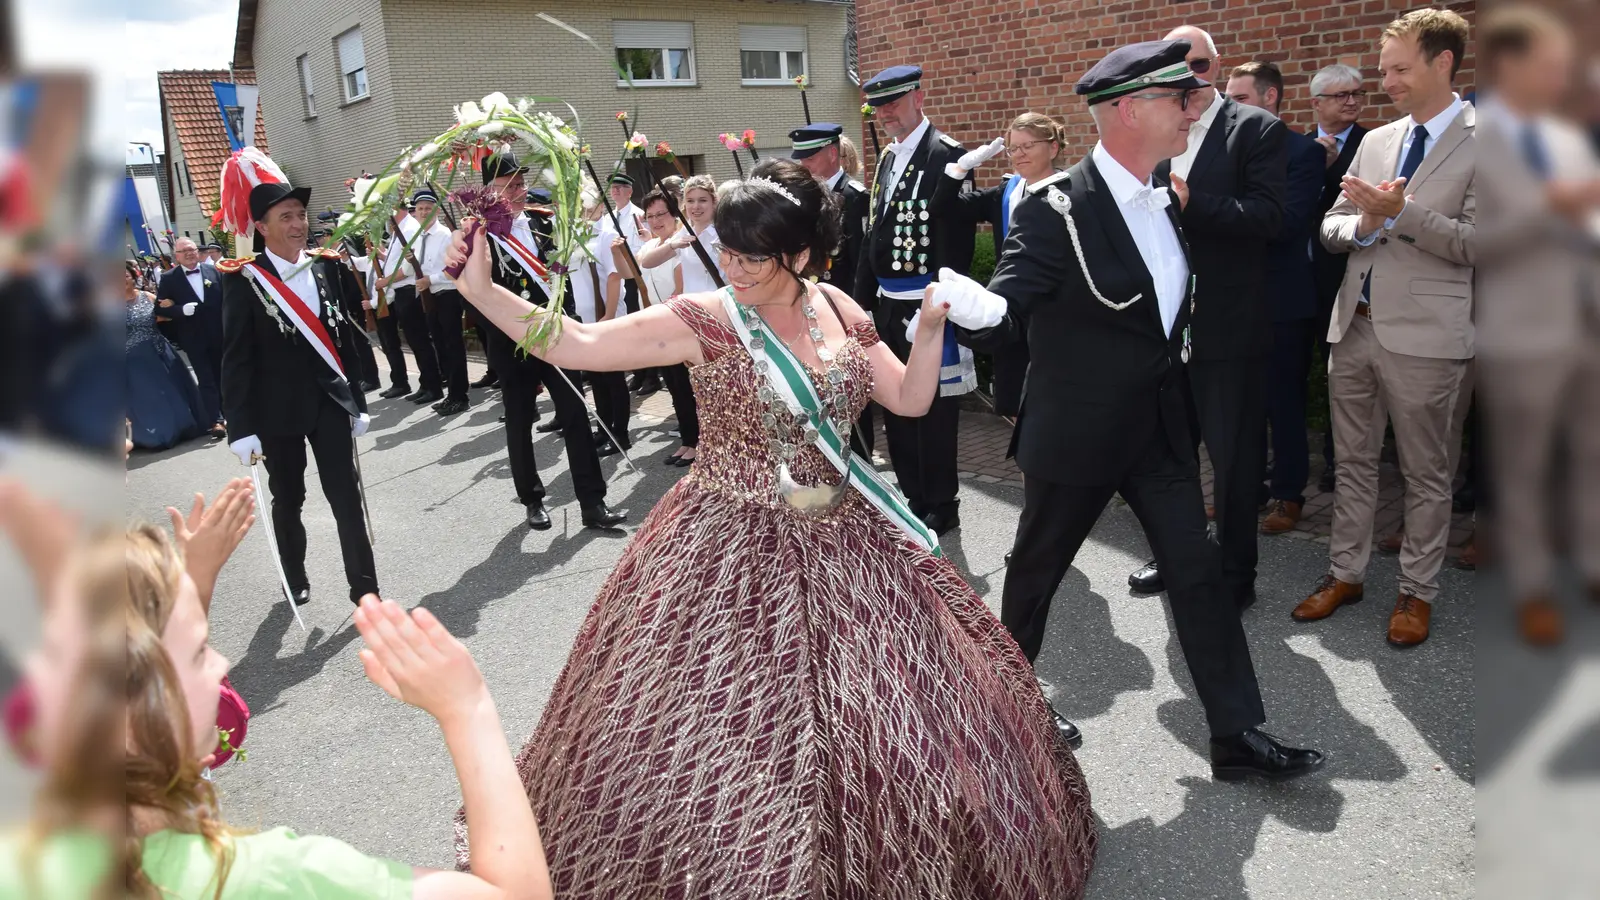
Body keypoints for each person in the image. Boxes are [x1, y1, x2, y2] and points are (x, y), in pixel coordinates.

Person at [445, 157, 1096, 896]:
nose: (733, 265)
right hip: (724, 540)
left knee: (891, 712)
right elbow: (576, 344)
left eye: (753, 254)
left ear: (803, 254)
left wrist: (933, 328)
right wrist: (483, 290)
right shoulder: (703, 321)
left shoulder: (841, 308)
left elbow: (911, 402)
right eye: (726, 248)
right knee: (724, 726)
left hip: (848, 534)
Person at [952, 38, 1325, 781]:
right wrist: (973, 308)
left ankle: (1235, 736)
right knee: (1033, 580)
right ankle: (992, 717)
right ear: (1127, 110)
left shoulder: (1168, 195)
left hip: (1158, 430)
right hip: (1079, 432)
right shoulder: (1055, 208)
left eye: (1191, 97)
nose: (1194, 109)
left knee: (1200, 575)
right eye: (1176, 99)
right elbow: (1011, 303)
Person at [1299, 8, 1476, 648]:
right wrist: (1367, 225)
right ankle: (1345, 573)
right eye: (1383, 70)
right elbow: (1331, 226)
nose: (1387, 82)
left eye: (1399, 69)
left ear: (1443, 62)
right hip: (1355, 328)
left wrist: (1401, 214)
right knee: (1351, 464)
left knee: (1428, 474)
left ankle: (1416, 591)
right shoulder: (1377, 140)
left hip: (1429, 337)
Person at [1127, 26, 1287, 606]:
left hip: (1227, 328)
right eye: (1173, 66)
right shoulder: (1155, 131)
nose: (1186, 76)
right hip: (1163, 329)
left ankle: (1235, 574)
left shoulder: (1255, 129)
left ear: (1215, 66)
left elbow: (1270, 216)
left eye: (1196, 64)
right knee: (1169, 456)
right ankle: (1178, 556)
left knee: (1233, 458)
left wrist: (1198, 205)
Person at [1472, 4, 1600, 645]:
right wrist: (1552, 207)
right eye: (1549, 66)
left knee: (1590, 454)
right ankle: (1532, 589)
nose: (1561, 78)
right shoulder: (1477, 136)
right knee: (1523, 471)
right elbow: (1479, 242)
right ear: (1509, 65)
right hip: (1519, 330)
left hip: (1586, 322)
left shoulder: (1566, 138)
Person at [220, 182, 378, 607]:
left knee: (345, 494)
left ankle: (365, 587)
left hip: (329, 401)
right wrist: (240, 426)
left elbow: (344, 339)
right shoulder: (245, 280)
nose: (297, 224)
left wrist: (357, 401)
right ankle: (295, 575)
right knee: (289, 497)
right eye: (285, 217)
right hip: (275, 412)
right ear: (261, 227)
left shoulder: (326, 266)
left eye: (300, 215)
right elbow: (235, 358)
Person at [852, 64, 979, 536]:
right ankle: (912, 495)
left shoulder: (947, 155)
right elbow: (874, 235)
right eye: (879, 104)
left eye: (895, 101)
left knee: (934, 409)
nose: (887, 111)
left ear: (918, 98)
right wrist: (861, 301)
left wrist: (941, 304)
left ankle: (941, 503)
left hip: (925, 304)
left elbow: (955, 241)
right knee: (895, 401)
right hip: (887, 303)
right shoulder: (887, 158)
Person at [477, 151, 625, 533]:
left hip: (556, 334)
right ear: (488, 193)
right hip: (511, 341)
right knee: (521, 420)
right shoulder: (482, 235)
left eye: (520, 183)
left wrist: (570, 318)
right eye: (507, 186)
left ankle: (592, 502)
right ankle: (532, 499)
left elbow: (562, 276)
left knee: (576, 413)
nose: (518, 191)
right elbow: (478, 293)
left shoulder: (544, 224)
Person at [1224, 61, 1328, 535]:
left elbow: (1287, 224)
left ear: (1270, 98)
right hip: (1235, 299)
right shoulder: (1225, 150)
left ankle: (1289, 495)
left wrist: (1219, 219)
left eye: (1239, 98)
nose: (1229, 107)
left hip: (1283, 302)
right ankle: (1249, 491)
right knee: (1242, 406)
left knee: (1282, 404)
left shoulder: (1302, 153)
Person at [931, 111, 1067, 419]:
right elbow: (943, 209)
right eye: (1012, 148)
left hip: (1056, 315)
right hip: (1015, 314)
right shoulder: (1005, 193)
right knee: (1018, 409)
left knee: (1056, 410)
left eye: (1027, 146)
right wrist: (959, 168)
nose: (1018, 155)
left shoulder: (1072, 193)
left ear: (1053, 147)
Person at [791, 121, 876, 457]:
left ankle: (862, 464)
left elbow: (860, 264)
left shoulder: (854, 198)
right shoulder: (806, 199)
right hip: (810, 308)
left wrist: (854, 317)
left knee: (852, 392)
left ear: (831, 154)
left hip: (841, 312)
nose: (803, 164)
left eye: (809, 157)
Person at [1308, 63, 1373, 492]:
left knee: (1343, 376)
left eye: (1357, 94)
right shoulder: (1294, 145)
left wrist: (1329, 169)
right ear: (1316, 103)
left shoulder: (1373, 144)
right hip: (1300, 280)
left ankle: (1337, 462)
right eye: (1341, 96)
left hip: (1344, 278)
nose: (1351, 101)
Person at [634, 188, 700, 467]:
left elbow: (681, 288)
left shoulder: (681, 242)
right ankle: (686, 440)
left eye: (661, 214)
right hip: (658, 325)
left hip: (679, 324)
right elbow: (639, 273)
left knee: (688, 387)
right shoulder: (650, 246)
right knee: (673, 386)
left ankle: (697, 442)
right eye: (650, 216)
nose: (656, 220)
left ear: (675, 213)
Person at [572, 198, 632, 456]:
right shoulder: (574, 234)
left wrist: (607, 314)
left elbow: (613, 275)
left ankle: (621, 434)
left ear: (600, 208)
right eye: (581, 208)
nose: (586, 212)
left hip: (605, 316)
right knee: (596, 379)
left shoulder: (606, 233)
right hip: (585, 318)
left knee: (613, 379)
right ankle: (604, 428)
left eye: (590, 207)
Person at [125, 260, 206, 450]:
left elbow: (166, 314)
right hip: (131, 358)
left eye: (126, 276)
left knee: (172, 391)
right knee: (147, 397)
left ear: (134, 277)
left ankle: (185, 427)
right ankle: (158, 435)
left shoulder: (147, 296)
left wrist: (169, 305)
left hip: (158, 350)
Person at [154, 237, 227, 438]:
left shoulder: (214, 271)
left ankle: (230, 413)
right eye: (183, 251)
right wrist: (179, 310)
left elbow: (226, 300)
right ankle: (216, 420)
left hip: (219, 334)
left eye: (191, 249)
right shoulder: (169, 278)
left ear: (199, 252)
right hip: (193, 338)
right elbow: (159, 308)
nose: (188, 253)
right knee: (205, 379)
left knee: (224, 375)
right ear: (176, 256)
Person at [375, 206, 445, 405]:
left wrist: (384, 281)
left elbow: (406, 270)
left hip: (409, 291)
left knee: (420, 341)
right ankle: (426, 384)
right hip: (402, 292)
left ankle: (433, 386)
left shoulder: (408, 229)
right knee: (415, 342)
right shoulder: (400, 228)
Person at [413, 189, 472, 415]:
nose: (424, 212)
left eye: (428, 208)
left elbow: (455, 267)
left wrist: (431, 279)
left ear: (436, 210)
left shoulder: (447, 235)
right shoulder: (417, 237)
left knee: (453, 346)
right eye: (420, 209)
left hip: (446, 294)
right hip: (429, 298)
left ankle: (460, 397)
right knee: (440, 346)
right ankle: (451, 395)